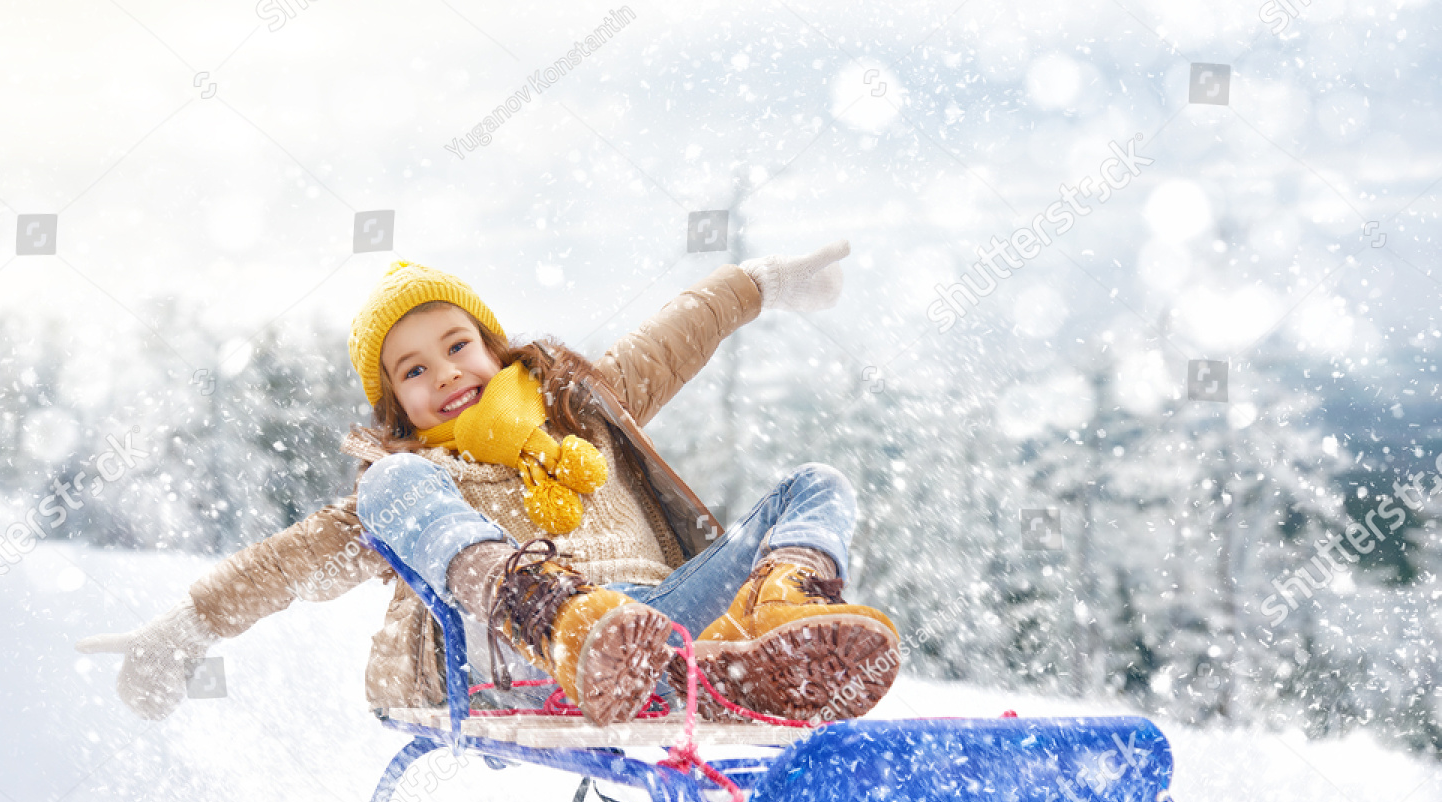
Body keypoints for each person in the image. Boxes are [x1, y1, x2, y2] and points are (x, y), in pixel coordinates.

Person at [77, 241, 900, 727]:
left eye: (456, 345)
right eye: (412, 370)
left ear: (493, 346)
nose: (444, 373)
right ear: (395, 403)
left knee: (815, 485)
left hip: (657, 625)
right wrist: (185, 628)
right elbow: (290, 560)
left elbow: (677, 331)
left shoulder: (583, 406)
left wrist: (764, 282)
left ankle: (765, 634)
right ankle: (560, 617)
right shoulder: (419, 478)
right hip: (507, 655)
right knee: (388, 485)